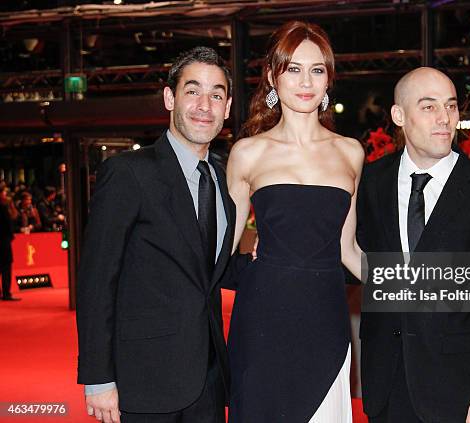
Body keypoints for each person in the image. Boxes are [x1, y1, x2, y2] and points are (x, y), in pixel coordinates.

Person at [356, 67, 470, 423]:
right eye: (429, 107)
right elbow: (354, 260)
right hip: (387, 383)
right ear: (399, 116)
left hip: (463, 393)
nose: (444, 119)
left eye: (450, 106)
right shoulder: (370, 182)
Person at [77, 46, 235, 423]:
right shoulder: (128, 172)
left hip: (209, 382)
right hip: (143, 380)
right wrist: (98, 378)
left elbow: (208, 270)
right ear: (170, 97)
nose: (204, 105)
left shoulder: (223, 178)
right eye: (192, 91)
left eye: (216, 95)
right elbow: (98, 279)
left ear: (227, 109)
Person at [227, 21, 363, 422]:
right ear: (273, 76)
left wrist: (415, 286)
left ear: (328, 80)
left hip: (325, 317)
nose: (306, 81)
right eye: (294, 69)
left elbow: (349, 251)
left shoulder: (350, 153)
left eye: (317, 70)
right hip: (263, 319)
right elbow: (223, 250)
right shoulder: (248, 153)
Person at [0, 188, 19, 301]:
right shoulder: (3, 207)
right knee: (6, 267)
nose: (5, 195)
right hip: (3, 241)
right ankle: (6, 293)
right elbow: (10, 221)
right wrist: (11, 236)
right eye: (4, 193)